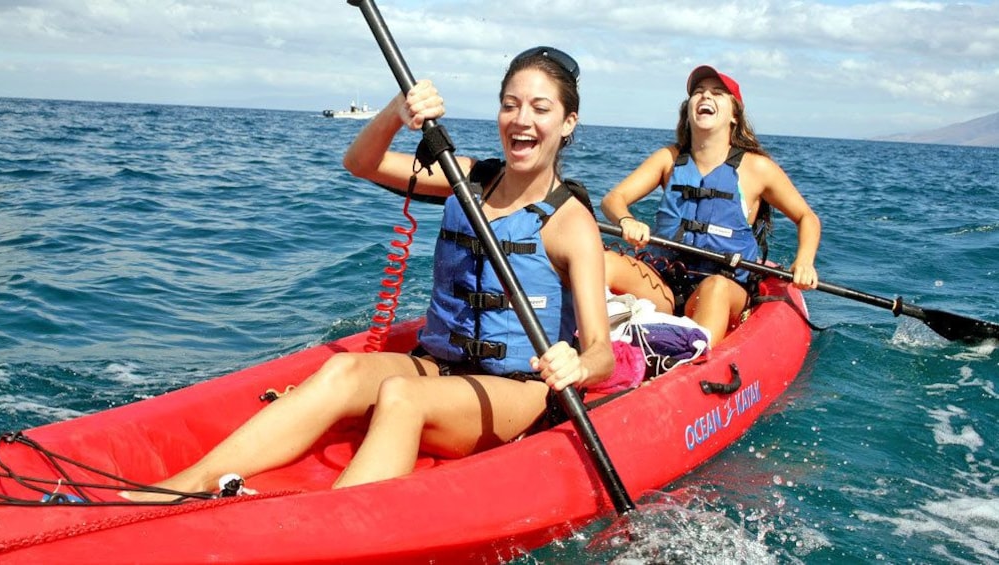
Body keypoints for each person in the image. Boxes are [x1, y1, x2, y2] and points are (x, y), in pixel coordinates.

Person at [122, 46, 613, 500]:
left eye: (540, 108)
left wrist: (579, 365)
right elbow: (361, 162)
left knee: (402, 397)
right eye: (511, 104)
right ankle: (189, 483)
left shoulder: (571, 223)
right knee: (345, 369)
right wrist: (396, 113)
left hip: (516, 392)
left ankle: (324, 527)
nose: (521, 120)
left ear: (568, 122)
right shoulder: (465, 179)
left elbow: (601, 353)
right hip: (439, 362)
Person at [600, 65, 821, 346]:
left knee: (714, 289)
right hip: (663, 283)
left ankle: (686, 360)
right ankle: (586, 340)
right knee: (604, 261)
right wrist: (626, 220)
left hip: (723, 286)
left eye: (717, 93)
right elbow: (613, 199)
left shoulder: (757, 169)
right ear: (688, 108)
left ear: (734, 115)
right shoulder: (669, 159)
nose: (705, 96)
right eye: (698, 92)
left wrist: (804, 261)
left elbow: (806, 217)